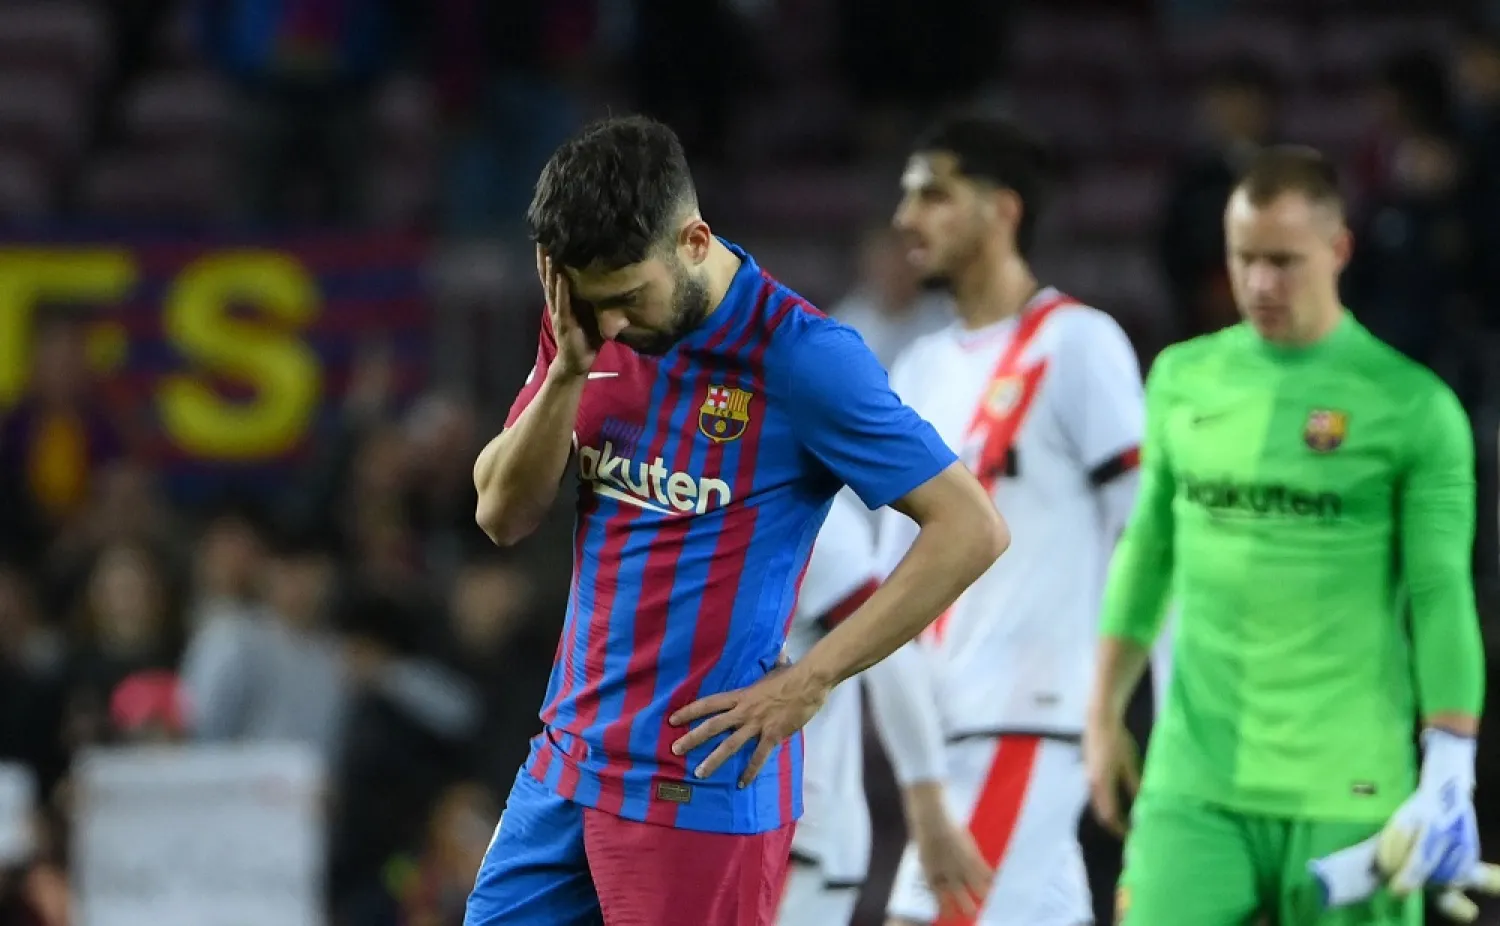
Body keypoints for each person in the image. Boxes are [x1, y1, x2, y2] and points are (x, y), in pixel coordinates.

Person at [467, 115, 1009, 926]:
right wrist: (569, 372)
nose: (611, 324)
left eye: (625, 300)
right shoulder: (585, 326)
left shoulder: (803, 359)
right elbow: (501, 514)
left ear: (693, 240)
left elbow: (971, 528)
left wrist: (811, 679)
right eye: (589, 302)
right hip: (565, 764)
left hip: (695, 784)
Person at [1085, 145, 1498, 926]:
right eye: (1245, 259)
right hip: (1193, 784)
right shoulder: (1182, 376)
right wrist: (1102, 712)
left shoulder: (1413, 406)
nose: (1261, 284)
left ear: (1338, 250)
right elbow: (1147, 553)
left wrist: (1450, 760)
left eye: (1284, 261)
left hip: (1350, 789)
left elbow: (1442, 593)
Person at [877, 112, 1156, 926]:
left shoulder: (1077, 344)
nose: (906, 219)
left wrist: (1147, 712)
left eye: (933, 194)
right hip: (943, 735)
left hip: (1030, 724)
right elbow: (890, 577)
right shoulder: (920, 367)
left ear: (1003, 210)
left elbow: (1147, 540)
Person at [777, 489, 991, 926]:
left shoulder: (811, 515)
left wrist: (926, 803)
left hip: (793, 826)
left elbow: (892, 654)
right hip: (706, 811)